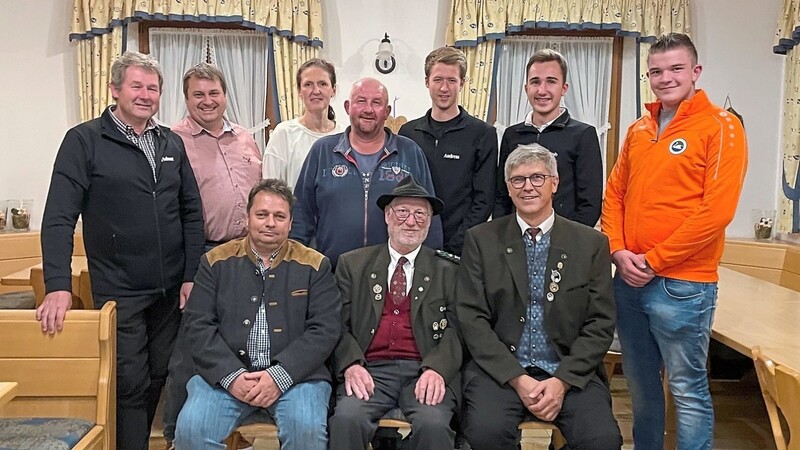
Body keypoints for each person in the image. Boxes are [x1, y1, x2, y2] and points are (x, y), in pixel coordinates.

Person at [36, 51, 205, 450]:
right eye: (137, 86)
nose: (146, 95)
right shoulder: (84, 140)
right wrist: (58, 284)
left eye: (153, 88)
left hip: (169, 290)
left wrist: (191, 276)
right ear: (115, 89)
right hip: (119, 288)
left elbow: (191, 213)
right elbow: (59, 217)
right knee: (130, 382)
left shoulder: (170, 142)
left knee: (161, 374)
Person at [601, 32, 748, 450]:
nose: (665, 78)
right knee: (641, 389)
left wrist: (654, 260)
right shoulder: (638, 129)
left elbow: (716, 212)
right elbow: (615, 195)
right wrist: (617, 250)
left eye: (676, 68)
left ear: (695, 72)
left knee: (687, 391)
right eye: (656, 71)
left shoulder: (722, 127)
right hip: (628, 282)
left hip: (683, 286)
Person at [457, 144, 622, 450]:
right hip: (500, 372)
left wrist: (562, 381)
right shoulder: (481, 240)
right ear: (508, 188)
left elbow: (600, 323)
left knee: (603, 440)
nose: (528, 187)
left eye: (537, 177)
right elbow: (471, 318)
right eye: (518, 180)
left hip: (569, 371)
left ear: (554, 183)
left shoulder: (591, 244)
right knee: (484, 433)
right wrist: (517, 378)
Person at [174, 178, 341, 450]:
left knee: (307, 435)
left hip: (297, 378)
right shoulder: (214, 261)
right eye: (262, 214)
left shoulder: (315, 265)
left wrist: (280, 376)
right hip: (224, 376)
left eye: (279, 216)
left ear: (290, 222)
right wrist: (232, 376)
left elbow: (325, 330)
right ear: (247, 217)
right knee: (191, 432)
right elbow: (198, 325)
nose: (270, 223)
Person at [328, 176, 461, 449]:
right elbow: (335, 324)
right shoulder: (352, 265)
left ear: (429, 222)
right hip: (369, 370)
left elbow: (459, 328)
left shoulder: (449, 271)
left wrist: (438, 368)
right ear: (388, 216)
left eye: (420, 214)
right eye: (402, 212)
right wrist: (351, 364)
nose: (410, 221)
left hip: (424, 370)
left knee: (434, 425)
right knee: (346, 419)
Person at [291, 77, 443, 268]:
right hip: (330, 274)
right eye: (361, 101)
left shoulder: (410, 152)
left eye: (377, 103)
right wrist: (296, 266)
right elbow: (301, 214)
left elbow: (430, 214)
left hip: (394, 277)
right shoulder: (322, 151)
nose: (368, 109)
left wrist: (432, 266)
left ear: (387, 111)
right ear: (347, 107)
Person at [399, 46, 497, 255]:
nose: (444, 88)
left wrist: (458, 243)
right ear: (427, 82)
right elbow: (401, 191)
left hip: (461, 249)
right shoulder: (408, 133)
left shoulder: (482, 133)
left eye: (452, 80)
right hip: (414, 245)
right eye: (438, 80)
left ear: (462, 83)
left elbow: (484, 199)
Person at [493, 49, 603, 227]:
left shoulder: (583, 135)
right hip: (515, 241)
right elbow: (501, 197)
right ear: (526, 88)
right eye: (535, 82)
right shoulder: (511, 135)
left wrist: (569, 240)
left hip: (565, 244)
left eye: (551, 82)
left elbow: (590, 203)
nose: (542, 90)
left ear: (564, 88)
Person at [172, 62, 263, 251]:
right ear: (186, 99)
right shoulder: (173, 141)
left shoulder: (244, 137)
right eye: (198, 94)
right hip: (203, 250)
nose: (207, 101)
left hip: (253, 247)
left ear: (224, 96)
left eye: (214, 93)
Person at [263, 58, 345, 189]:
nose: (316, 90)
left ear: (333, 90)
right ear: (299, 91)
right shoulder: (284, 133)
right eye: (308, 84)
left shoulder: (345, 136)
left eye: (322, 84)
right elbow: (271, 190)